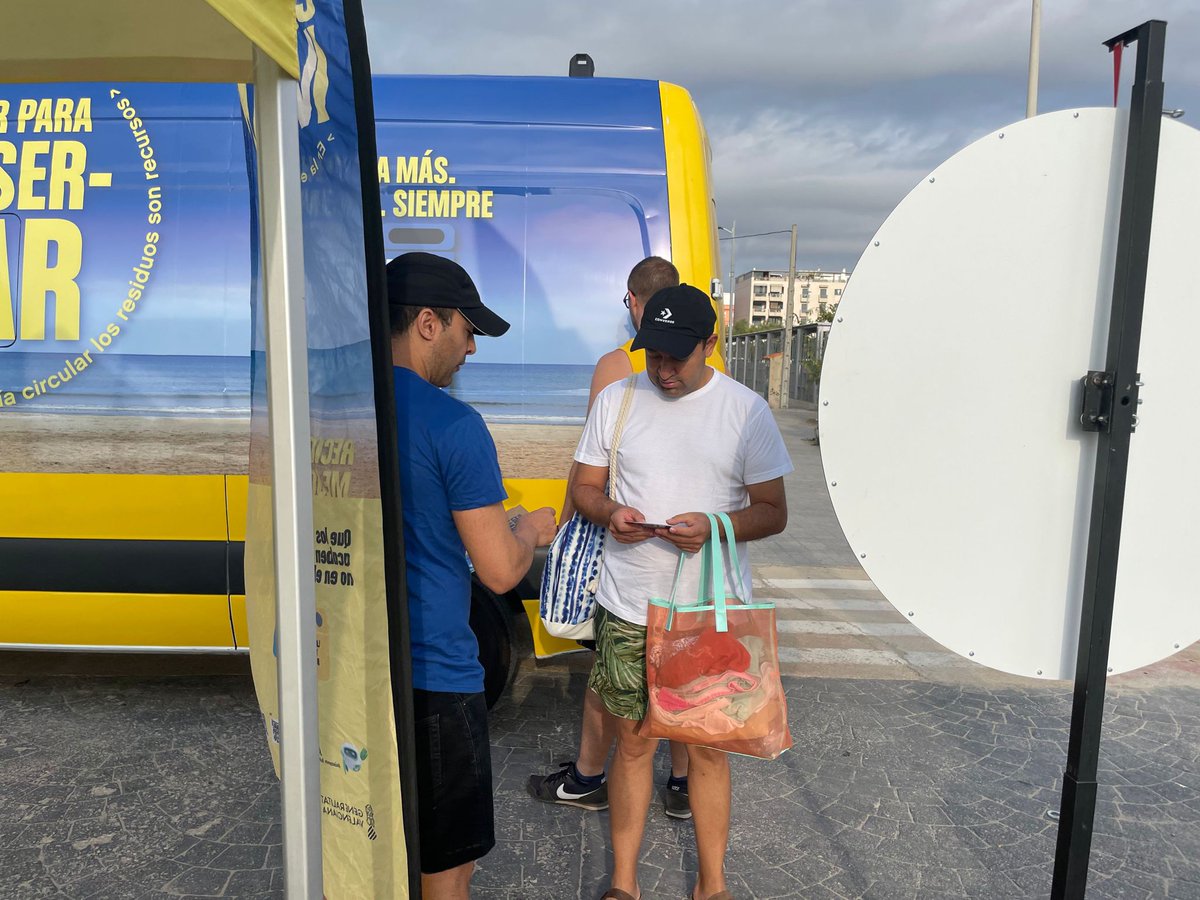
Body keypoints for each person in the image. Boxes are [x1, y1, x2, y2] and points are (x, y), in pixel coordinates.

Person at [572, 283, 792, 900]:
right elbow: (584, 490)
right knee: (634, 744)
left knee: (707, 753)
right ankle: (623, 884)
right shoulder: (617, 400)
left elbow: (774, 511)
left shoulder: (745, 411)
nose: (663, 371)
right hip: (627, 605)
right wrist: (609, 511)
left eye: (676, 357)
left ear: (710, 344)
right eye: (653, 356)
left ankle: (712, 886)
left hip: (708, 612)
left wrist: (718, 525)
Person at [388, 251, 557, 900]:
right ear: (429, 323)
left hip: (355, 675)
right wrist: (528, 530)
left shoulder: (337, 410)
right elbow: (496, 570)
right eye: (468, 331)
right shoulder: (454, 425)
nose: (472, 350)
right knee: (447, 872)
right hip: (436, 681)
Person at [527, 256, 693, 819]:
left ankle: (590, 776)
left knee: (608, 672)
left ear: (632, 302)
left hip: (622, 543)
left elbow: (591, 467)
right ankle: (681, 785)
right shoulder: (700, 366)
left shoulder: (615, 367)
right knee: (680, 668)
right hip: (685, 552)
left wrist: (580, 518)